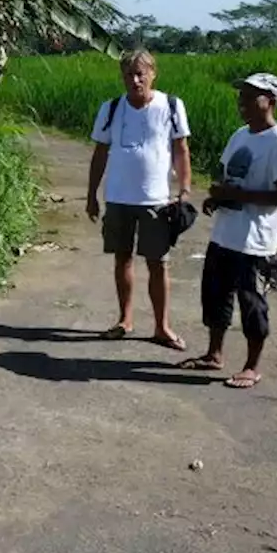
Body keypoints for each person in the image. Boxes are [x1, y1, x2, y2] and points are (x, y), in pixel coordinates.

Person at [179, 72, 277, 389]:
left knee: (252, 304)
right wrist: (217, 199)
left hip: (256, 241)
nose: (242, 103)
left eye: (250, 97)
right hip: (225, 234)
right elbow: (229, 177)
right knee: (216, 297)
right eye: (241, 96)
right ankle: (213, 354)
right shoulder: (239, 135)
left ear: (270, 102)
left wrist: (238, 196)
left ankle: (251, 366)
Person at [85, 49, 192, 350]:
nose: (134, 80)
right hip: (118, 198)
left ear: (152, 74)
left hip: (157, 199)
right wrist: (92, 194)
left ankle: (162, 327)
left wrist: (184, 188)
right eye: (128, 75)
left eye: (140, 74)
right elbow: (100, 153)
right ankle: (125, 320)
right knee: (122, 258)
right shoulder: (111, 108)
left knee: (158, 263)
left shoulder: (170, 106)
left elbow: (181, 149)